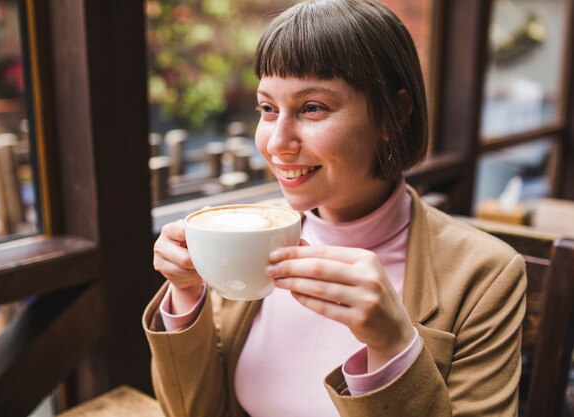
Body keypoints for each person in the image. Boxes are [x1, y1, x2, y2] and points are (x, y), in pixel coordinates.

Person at [143, 0, 526, 416]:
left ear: (393, 115)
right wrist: (185, 292)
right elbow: (195, 411)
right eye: (268, 109)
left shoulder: (486, 274)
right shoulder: (245, 237)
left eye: (312, 108)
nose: (276, 143)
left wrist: (393, 343)